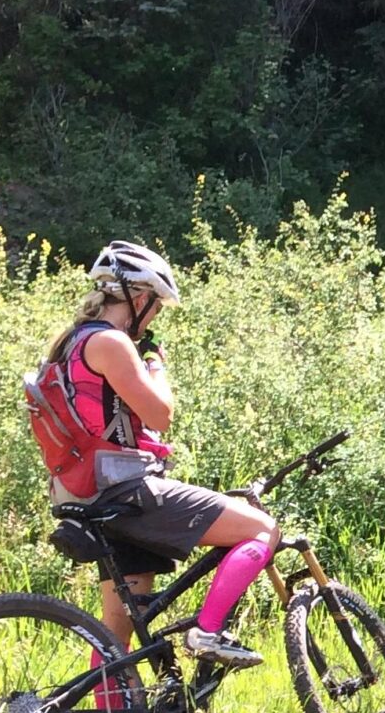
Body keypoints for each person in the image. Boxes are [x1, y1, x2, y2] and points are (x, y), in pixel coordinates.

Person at [47, 243, 278, 668]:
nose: (153, 319)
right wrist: (154, 362)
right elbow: (160, 413)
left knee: (113, 640)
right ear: (139, 300)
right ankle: (208, 633)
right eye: (154, 309)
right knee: (261, 530)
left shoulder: (69, 343)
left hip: (86, 496)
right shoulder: (110, 342)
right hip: (125, 492)